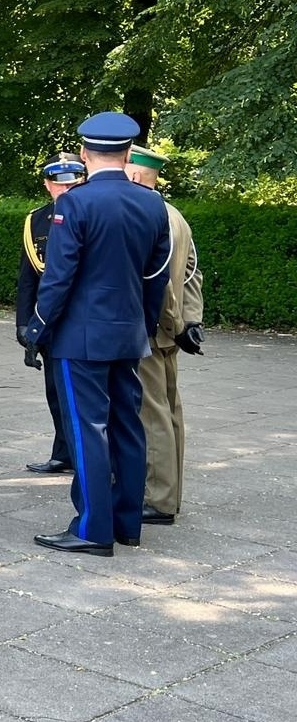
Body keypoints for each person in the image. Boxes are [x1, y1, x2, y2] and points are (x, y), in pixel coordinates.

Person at [22, 112, 171, 556]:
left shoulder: (75, 203)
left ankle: (92, 528)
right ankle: (127, 522)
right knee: (128, 426)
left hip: (79, 335)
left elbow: (60, 275)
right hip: (128, 333)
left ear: (85, 154)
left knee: (88, 429)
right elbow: (156, 275)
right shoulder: (152, 203)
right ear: (127, 154)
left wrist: (38, 326)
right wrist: (142, 324)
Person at [126, 145, 205, 526]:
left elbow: (159, 282)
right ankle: (169, 493)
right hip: (169, 330)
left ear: (135, 174)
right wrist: (191, 322)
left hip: (149, 328)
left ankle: (157, 500)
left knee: (151, 413)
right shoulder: (176, 215)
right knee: (170, 411)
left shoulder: (147, 216)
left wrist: (174, 320)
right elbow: (191, 274)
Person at [16, 154, 86, 474]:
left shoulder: (92, 214)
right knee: (55, 391)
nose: (66, 190)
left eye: (73, 184)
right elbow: (28, 276)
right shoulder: (36, 220)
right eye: (59, 185)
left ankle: (94, 456)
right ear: (48, 185)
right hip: (48, 318)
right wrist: (24, 322)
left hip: (82, 316)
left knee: (86, 395)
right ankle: (63, 453)